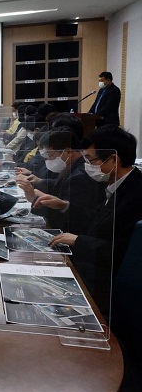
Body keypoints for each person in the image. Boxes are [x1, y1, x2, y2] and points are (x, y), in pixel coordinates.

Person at [49, 125, 142, 315]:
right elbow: (99, 223)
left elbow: (122, 253)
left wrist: (78, 240)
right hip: (96, 269)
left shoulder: (136, 195)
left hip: (111, 287)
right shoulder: (113, 184)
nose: (87, 166)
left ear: (114, 159)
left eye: (91, 160)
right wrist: (64, 205)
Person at [17, 127, 104, 235]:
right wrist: (39, 184)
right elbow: (59, 186)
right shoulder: (72, 167)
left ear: (68, 152)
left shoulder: (79, 177)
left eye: (51, 155)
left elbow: (73, 219)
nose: (48, 161)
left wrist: (36, 199)